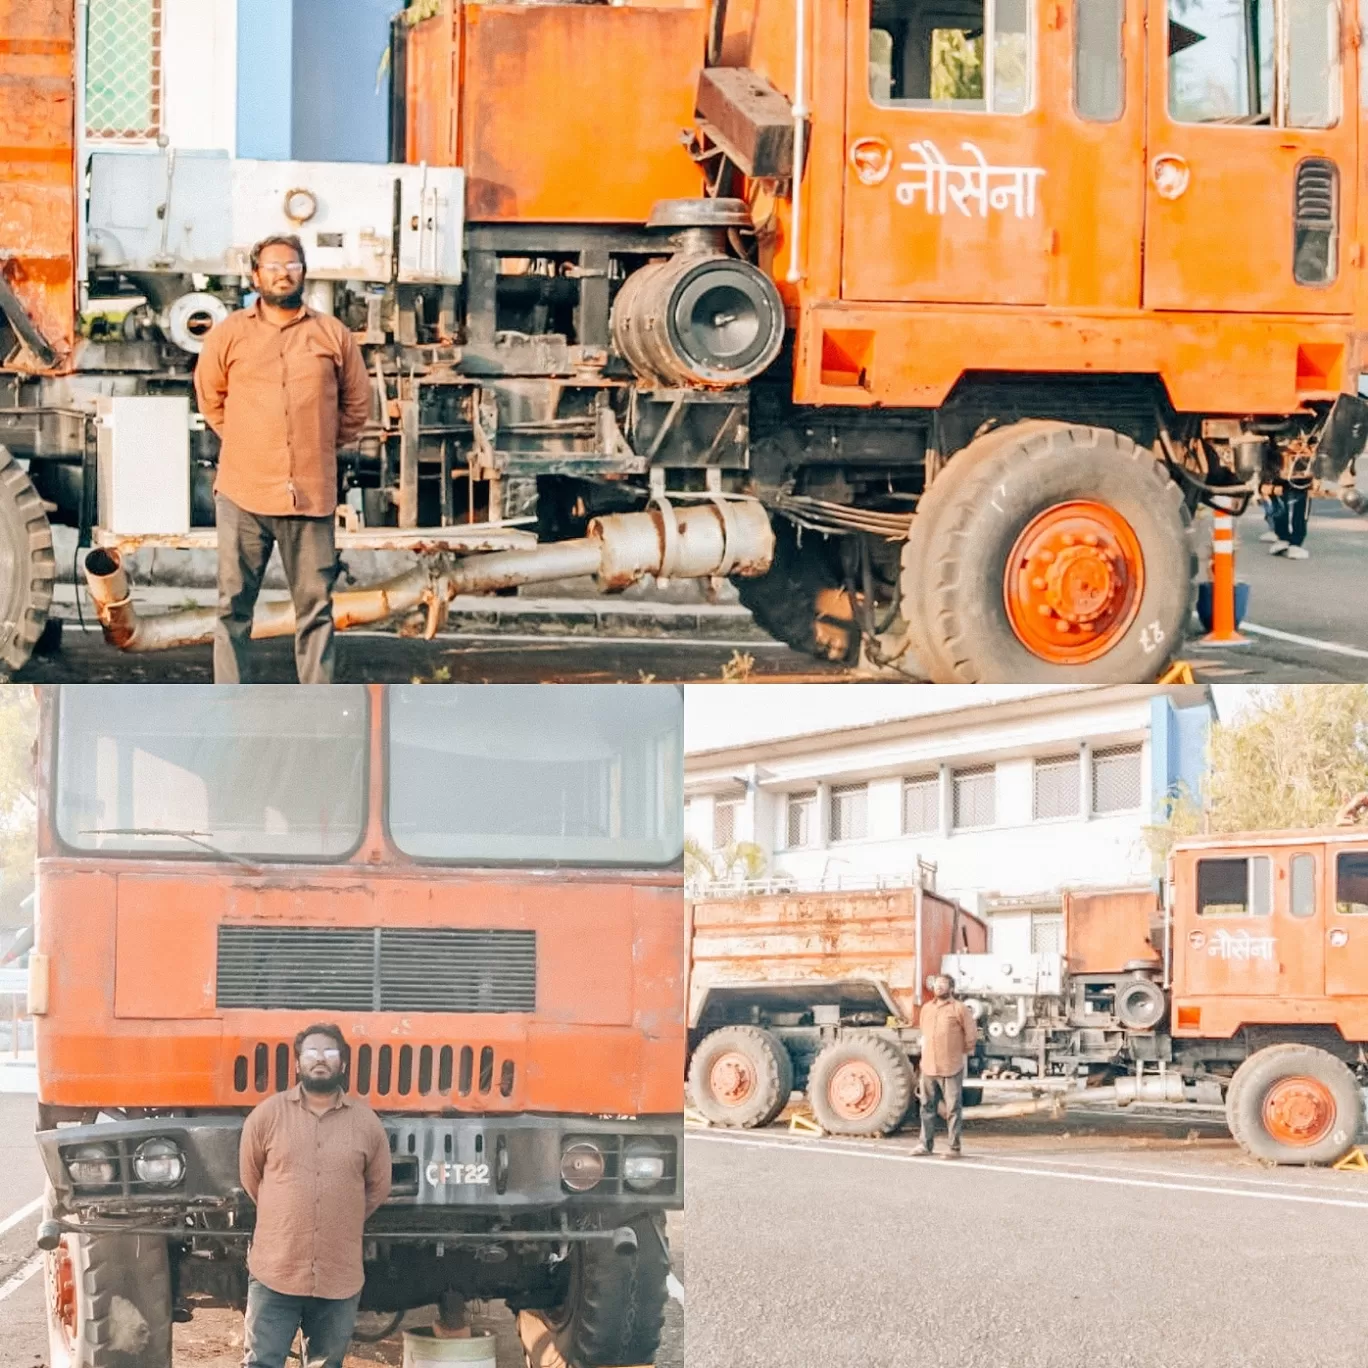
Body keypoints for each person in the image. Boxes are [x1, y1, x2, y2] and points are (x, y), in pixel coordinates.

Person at [194, 235, 371, 683]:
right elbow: (210, 398)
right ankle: (228, 704)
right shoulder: (229, 333)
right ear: (255, 275)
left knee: (315, 610)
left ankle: (316, 707)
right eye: (273, 266)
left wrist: (317, 447)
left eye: (291, 264)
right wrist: (251, 444)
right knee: (232, 608)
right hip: (244, 495)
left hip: (310, 497)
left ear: (304, 271)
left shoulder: (332, 334)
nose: (282, 273)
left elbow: (356, 406)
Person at [239, 1024, 391, 1368]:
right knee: (261, 1362)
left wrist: (339, 1216)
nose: (320, 1059)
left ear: (343, 1065)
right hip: (276, 1272)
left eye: (329, 1052)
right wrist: (288, 1217)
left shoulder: (366, 1123)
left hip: (338, 1277)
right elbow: (252, 1180)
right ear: (297, 1065)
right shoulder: (267, 1116)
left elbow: (377, 1187)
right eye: (311, 1052)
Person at [911, 973, 978, 1159]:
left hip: (951, 1067)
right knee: (926, 1106)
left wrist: (957, 1052)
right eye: (936, 984)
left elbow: (971, 1035)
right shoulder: (926, 1008)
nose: (938, 987)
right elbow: (923, 1033)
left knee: (953, 1109)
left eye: (943, 984)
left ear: (951, 988)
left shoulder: (959, 1009)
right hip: (928, 1066)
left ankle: (954, 1148)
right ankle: (925, 1145)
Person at [1259, 454, 1313, 561]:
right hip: (1277, 460)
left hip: (1297, 461)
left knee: (1298, 496)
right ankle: (1283, 537)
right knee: (1278, 497)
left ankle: (1295, 542)